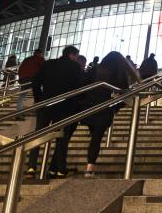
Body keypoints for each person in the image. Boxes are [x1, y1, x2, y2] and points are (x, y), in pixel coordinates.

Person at [75, 52, 139, 177]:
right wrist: (114, 107)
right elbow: (125, 95)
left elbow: (82, 85)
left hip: (89, 107)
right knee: (96, 138)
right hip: (105, 109)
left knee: (94, 136)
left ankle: (89, 165)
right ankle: (89, 167)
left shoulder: (95, 69)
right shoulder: (119, 73)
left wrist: (84, 102)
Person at [27, 46, 85, 178]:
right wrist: (74, 102)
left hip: (45, 104)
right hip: (65, 106)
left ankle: (31, 167)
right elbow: (79, 88)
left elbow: (35, 82)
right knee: (61, 138)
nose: (76, 58)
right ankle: (60, 169)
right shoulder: (75, 68)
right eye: (76, 56)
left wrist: (39, 100)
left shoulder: (49, 64)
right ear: (72, 55)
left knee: (38, 134)